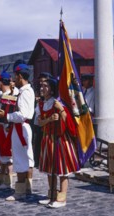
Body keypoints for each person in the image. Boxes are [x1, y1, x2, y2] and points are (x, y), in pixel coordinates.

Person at [35, 78, 80, 208]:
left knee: (62, 169)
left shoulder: (59, 103)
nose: (42, 88)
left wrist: (61, 110)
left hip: (60, 140)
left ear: (52, 89)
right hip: (48, 139)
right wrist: (49, 119)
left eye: (45, 86)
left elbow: (70, 124)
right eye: (41, 85)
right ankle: (52, 195)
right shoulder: (40, 104)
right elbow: (39, 122)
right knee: (50, 169)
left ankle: (62, 198)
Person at [0, 63, 35, 201]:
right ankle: (27, 188)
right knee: (27, 157)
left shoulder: (25, 92)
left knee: (20, 158)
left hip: (20, 127)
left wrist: (6, 117)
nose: (13, 79)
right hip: (21, 127)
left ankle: (20, 191)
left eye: (15, 76)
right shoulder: (25, 91)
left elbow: (23, 114)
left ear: (19, 76)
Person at [33, 72, 54, 168]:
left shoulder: (54, 100)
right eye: (41, 83)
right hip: (40, 126)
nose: (42, 86)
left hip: (52, 132)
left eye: (44, 83)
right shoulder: (40, 99)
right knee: (37, 143)